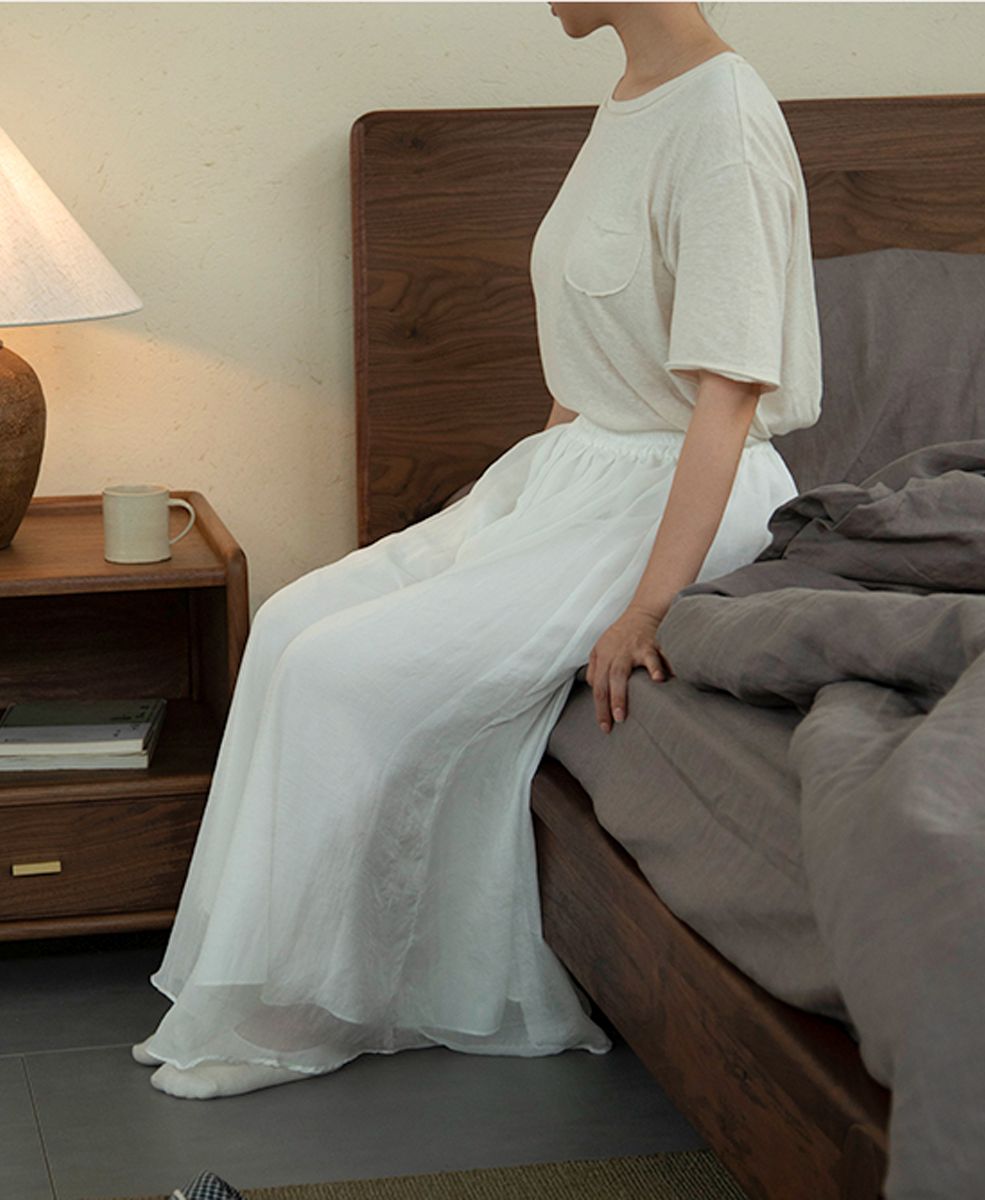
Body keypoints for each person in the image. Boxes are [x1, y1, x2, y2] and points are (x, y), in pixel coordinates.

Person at [135, 0, 822, 1099]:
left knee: (339, 670)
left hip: (674, 494)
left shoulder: (724, 119)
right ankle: (251, 974)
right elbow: (589, 359)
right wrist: (509, 505)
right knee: (289, 622)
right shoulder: (635, 98)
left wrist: (651, 606)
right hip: (576, 474)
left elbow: (728, 396)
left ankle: (308, 1009)